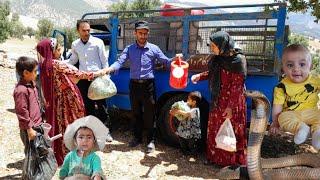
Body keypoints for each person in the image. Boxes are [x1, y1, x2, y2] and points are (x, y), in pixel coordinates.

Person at [105, 20, 172, 153]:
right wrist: (110, 68)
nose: (143, 36)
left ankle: (151, 140)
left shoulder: (154, 49)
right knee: (135, 113)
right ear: (135, 33)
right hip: (134, 85)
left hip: (148, 86)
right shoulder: (129, 49)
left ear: (148, 34)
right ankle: (137, 138)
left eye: (145, 33)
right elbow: (120, 61)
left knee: (149, 114)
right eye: (140, 33)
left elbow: (166, 61)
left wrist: (175, 61)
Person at [36, 38, 104, 166]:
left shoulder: (44, 66)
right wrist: (98, 73)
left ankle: (60, 152)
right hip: (68, 102)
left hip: (56, 103)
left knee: (61, 126)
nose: (60, 49)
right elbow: (79, 74)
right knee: (72, 125)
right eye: (58, 48)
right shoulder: (58, 64)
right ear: (52, 51)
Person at [191, 31, 247, 166]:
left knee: (230, 131)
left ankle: (230, 162)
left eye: (214, 46)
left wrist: (230, 107)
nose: (211, 48)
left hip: (232, 103)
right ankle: (215, 158)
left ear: (223, 45)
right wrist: (200, 76)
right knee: (215, 129)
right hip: (218, 100)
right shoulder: (219, 58)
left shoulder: (237, 61)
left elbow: (237, 87)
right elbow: (213, 73)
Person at [66, 20, 113, 142]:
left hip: (97, 79)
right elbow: (73, 60)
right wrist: (62, 65)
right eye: (84, 30)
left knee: (102, 105)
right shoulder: (75, 44)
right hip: (83, 79)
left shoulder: (98, 42)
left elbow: (104, 61)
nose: (87, 33)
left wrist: (106, 78)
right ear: (78, 31)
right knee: (87, 106)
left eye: (88, 30)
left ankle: (106, 131)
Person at [269, 44, 320, 150]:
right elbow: (277, 107)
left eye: (302, 64)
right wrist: (275, 124)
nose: (296, 69)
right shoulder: (281, 86)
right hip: (291, 114)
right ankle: (301, 129)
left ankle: (317, 134)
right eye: (290, 65)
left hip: (312, 112)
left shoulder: (316, 80)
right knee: (282, 117)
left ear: (310, 66)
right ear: (283, 68)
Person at [13, 56, 43, 174]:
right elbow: (22, 111)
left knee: (38, 153)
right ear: (26, 73)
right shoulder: (21, 90)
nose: (37, 73)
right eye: (35, 71)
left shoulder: (32, 84)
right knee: (31, 155)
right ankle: (29, 175)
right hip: (29, 129)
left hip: (37, 125)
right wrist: (29, 129)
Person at [60, 115, 107, 179]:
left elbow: (97, 172)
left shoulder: (95, 158)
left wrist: (96, 177)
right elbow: (63, 174)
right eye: (81, 137)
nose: (85, 140)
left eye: (89, 137)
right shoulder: (70, 156)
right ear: (75, 140)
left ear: (94, 141)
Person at [170, 91, 202, 155]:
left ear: (194, 102)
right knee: (182, 141)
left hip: (192, 132)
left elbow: (187, 114)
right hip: (184, 130)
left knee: (191, 144)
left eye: (189, 99)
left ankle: (193, 153)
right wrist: (174, 111)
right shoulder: (188, 107)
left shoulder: (195, 110)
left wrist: (177, 111)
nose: (187, 101)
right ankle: (185, 152)